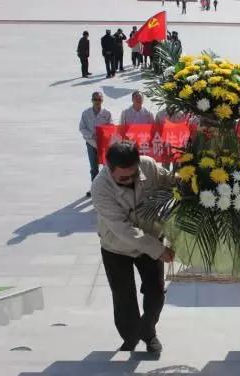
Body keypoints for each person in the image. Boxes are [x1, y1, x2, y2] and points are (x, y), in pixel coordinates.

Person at [91, 141, 175, 353]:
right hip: (116, 246)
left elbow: (171, 182)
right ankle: (130, 338)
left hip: (151, 236)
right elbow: (123, 229)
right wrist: (159, 250)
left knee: (156, 292)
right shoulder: (100, 188)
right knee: (123, 297)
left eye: (134, 175)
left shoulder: (148, 166)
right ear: (109, 168)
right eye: (123, 179)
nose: (129, 181)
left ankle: (148, 332)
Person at [79, 92, 112, 197]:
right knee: (94, 168)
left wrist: (103, 134)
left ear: (102, 101)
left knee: (107, 167)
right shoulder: (86, 113)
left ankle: (107, 188)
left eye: (99, 99)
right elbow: (82, 128)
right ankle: (94, 189)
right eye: (95, 99)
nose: (97, 102)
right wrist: (91, 135)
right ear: (92, 100)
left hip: (103, 145)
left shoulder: (107, 113)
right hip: (91, 144)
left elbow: (111, 127)